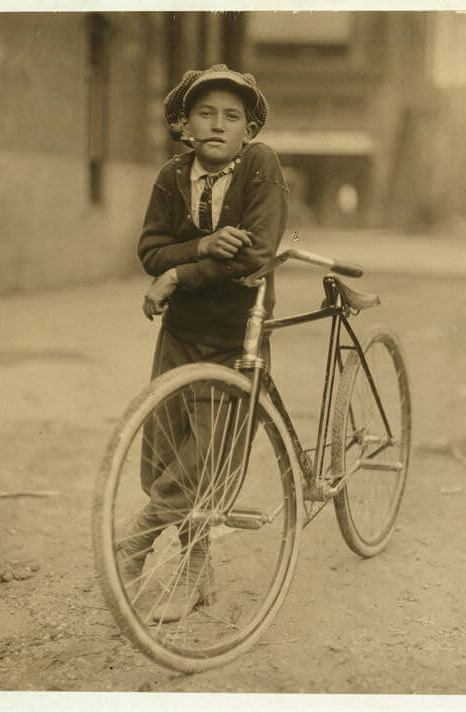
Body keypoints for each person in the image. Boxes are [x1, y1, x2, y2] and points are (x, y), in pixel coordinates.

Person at [117, 65, 288, 623]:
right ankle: (199, 573)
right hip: (181, 334)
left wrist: (179, 274)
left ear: (249, 130)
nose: (217, 125)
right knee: (166, 450)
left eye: (231, 116)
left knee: (206, 458)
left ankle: (139, 541)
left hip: (235, 335)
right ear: (184, 126)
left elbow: (256, 253)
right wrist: (204, 246)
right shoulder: (172, 177)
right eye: (205, 114)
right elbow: (150, 250)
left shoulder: (260, 166)